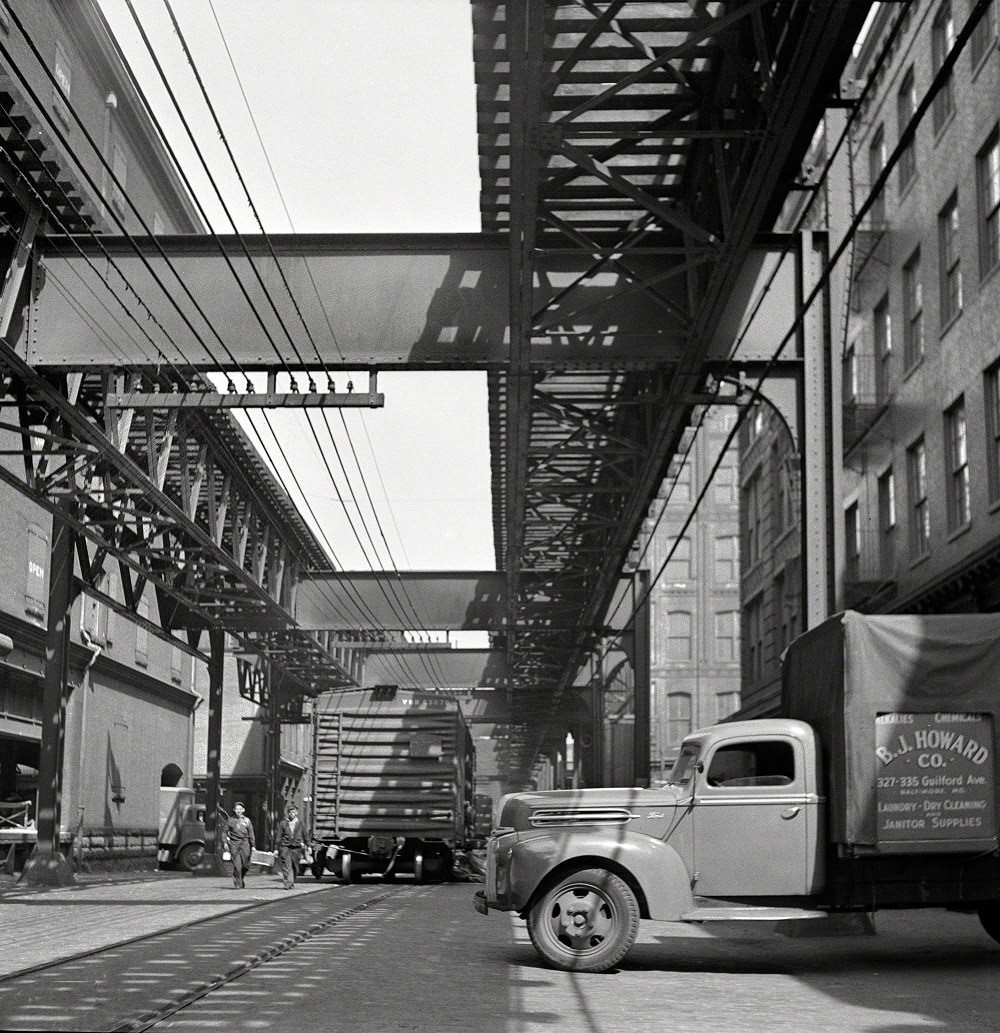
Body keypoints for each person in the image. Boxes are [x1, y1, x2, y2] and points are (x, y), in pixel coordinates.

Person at [224, 802, 255, 888]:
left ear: (243, 810)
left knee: (246, 865)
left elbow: (251, 833)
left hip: (245, 844)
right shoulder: (230, 820)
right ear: (234, 810)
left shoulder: (247, 820)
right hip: (234, 844)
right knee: (237, 865)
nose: (238, 811)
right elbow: (225, 832)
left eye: (240, 809)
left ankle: (240, 877)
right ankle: (238, 883)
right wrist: (225, 842)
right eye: (237, 809)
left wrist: (253, 846)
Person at [276, 804, 304, 889]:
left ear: (297, 813)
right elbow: (278, 836)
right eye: (290, 812)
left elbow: (305, 835)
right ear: (288, 813)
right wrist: (276, 849)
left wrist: (309, 845)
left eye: (293, 811)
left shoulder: (300, 823)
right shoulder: (283, 823)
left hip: (296, 847)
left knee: (295, 867)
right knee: (286, 865)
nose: (292, 813)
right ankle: (287, 883)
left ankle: (291, 881)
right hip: (285, 847)